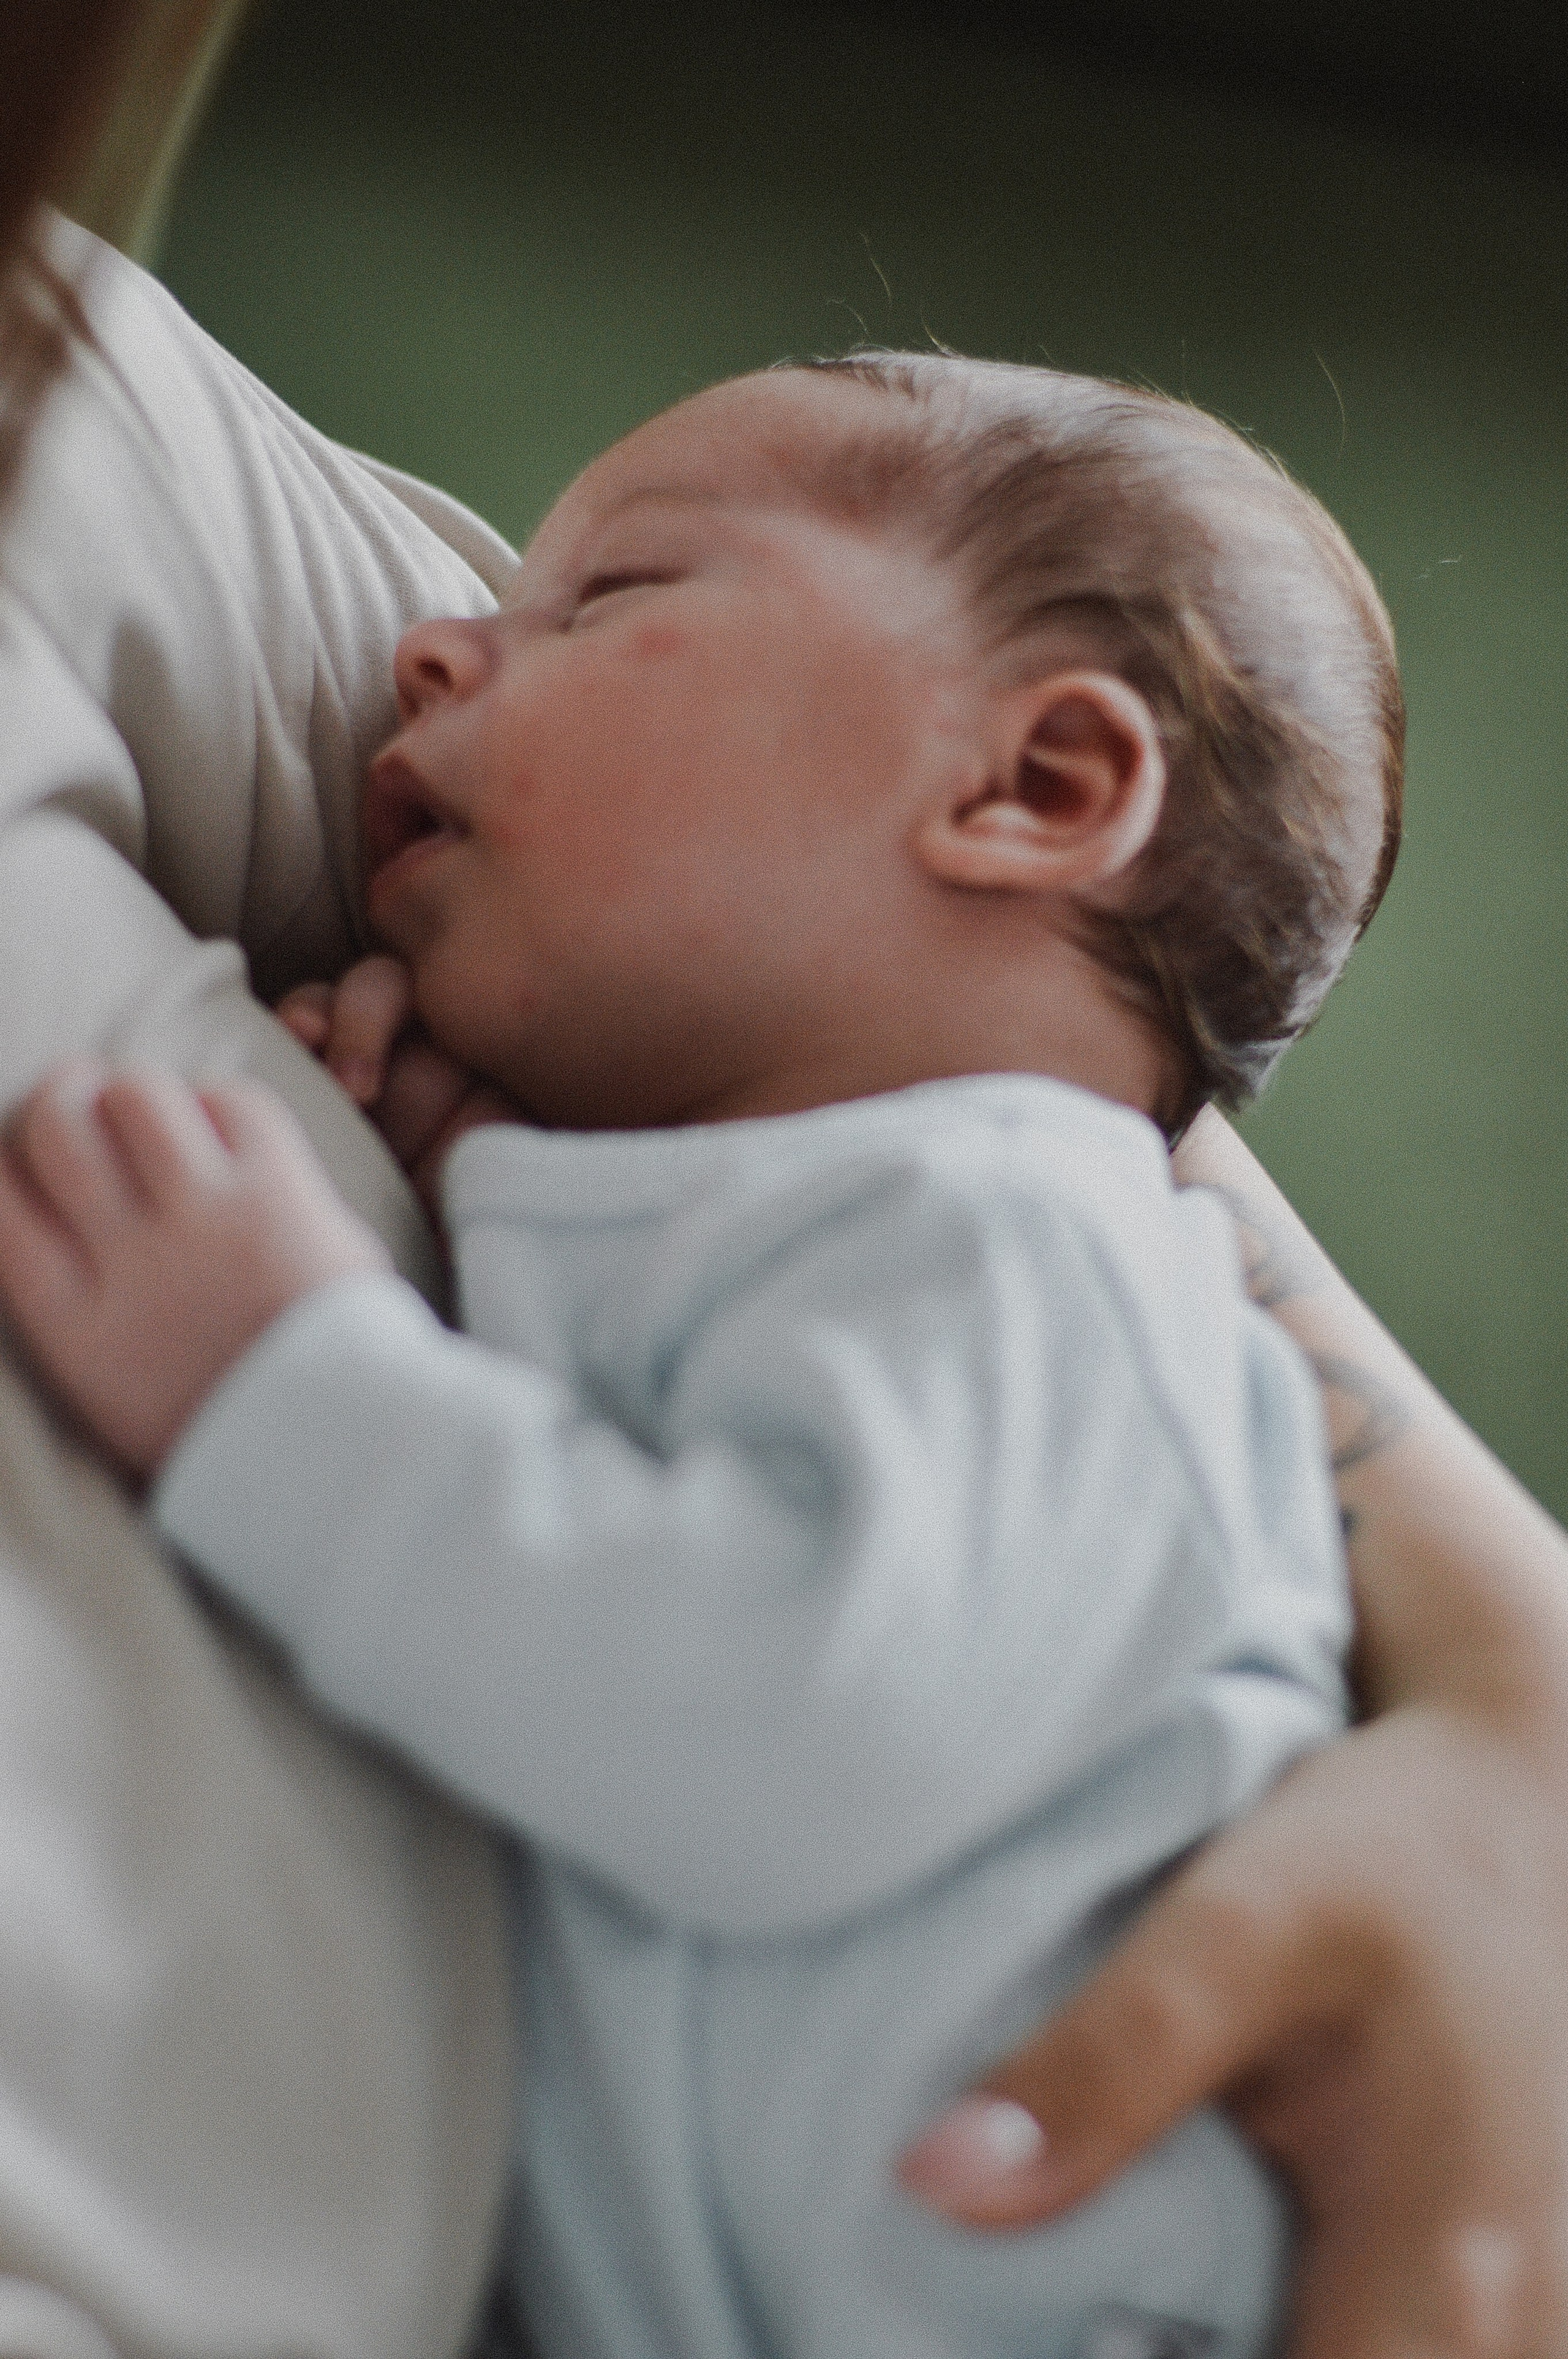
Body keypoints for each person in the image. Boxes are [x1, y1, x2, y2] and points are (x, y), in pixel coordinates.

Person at [1, 105, 1566, 2358]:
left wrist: (293, 1378)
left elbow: (767, 1720)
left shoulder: (1032, 1259)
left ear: (1035, 788)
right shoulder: (846, 1214)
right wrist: (481, 1160)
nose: (437, 651)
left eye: (611, 601)